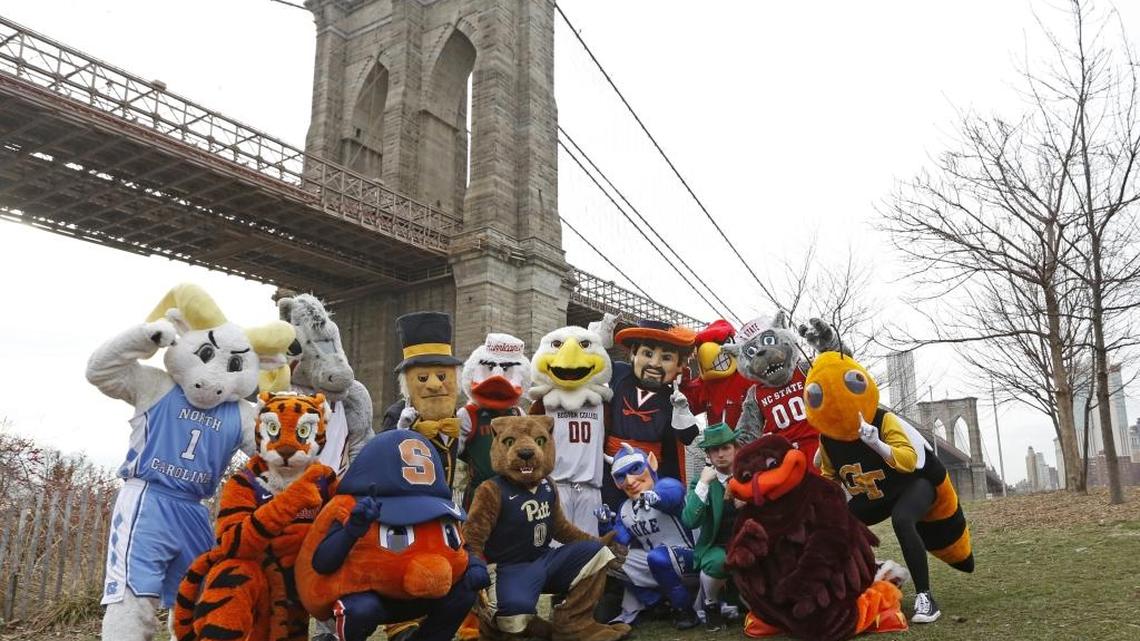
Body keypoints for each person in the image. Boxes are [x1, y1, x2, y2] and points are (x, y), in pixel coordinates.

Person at [681, 423, 743, 632]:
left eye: (725, 448)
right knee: (718, 562)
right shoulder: (701, 482)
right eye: (714, 450)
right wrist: (704, 484)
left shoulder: (750, 475)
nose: (721, 454)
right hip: (718, 546)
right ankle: (711, 605)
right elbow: (690, 521)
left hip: (751, 543)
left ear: (736, 448)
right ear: (708, 454)